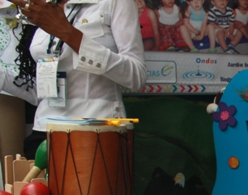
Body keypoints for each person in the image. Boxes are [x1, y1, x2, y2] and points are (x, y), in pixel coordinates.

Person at [4, 0, 146, 159]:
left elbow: (136, 75)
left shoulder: (115, 2)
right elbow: (43, 92)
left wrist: (67, 32)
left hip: (95, 130)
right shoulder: (44, 7)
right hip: (43, 132)